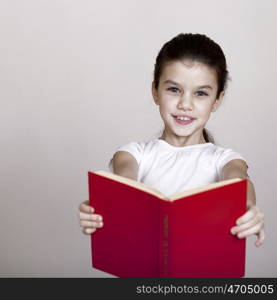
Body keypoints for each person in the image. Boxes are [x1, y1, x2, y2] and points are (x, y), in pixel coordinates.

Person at [79, 33, 265, 247]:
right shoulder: (134, 154)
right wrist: (99, 212)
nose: (185, 104)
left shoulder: (224, 159)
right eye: (174, 89)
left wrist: (248, 207)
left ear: (217, 100)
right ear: (155, 91)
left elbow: (239, 181)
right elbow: (124, 184)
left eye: (201, 93)